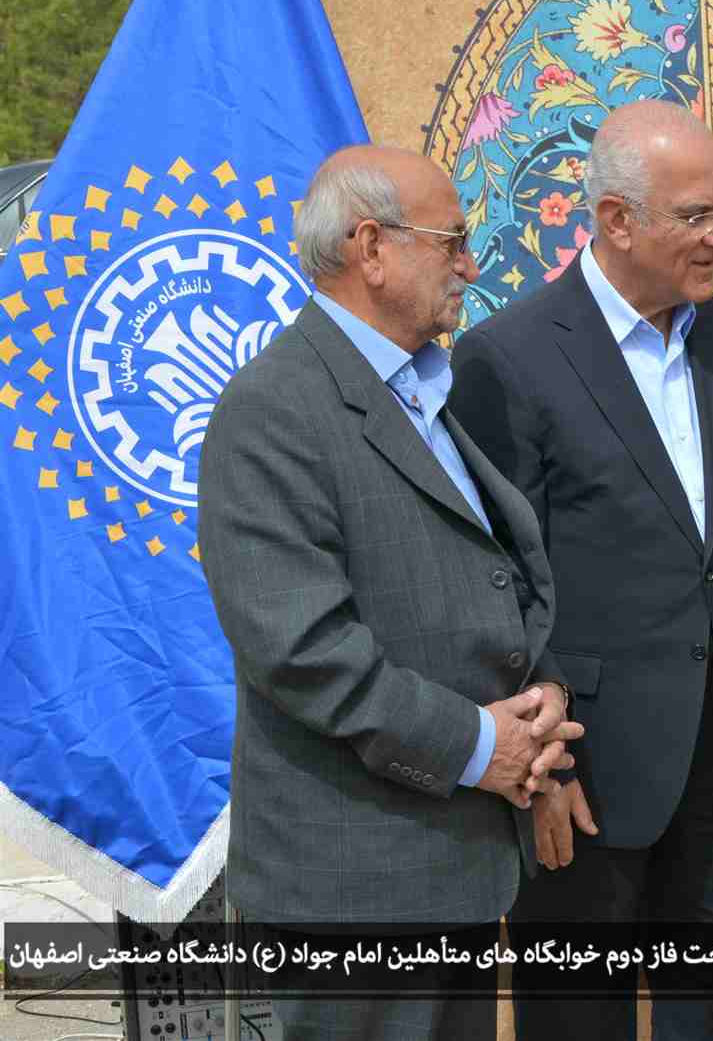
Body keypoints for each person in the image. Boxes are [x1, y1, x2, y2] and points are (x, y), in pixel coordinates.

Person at [197, 145, 581, 1040]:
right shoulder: (273, 409)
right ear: (371, 248)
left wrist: (541, 698)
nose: (471, 266)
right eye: (453, 241)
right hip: (355, 891)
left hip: (454, 866)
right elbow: (304, 651)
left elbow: (490, 574)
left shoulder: (424, 388)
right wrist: (481, 745)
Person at [448, 99, 713, 1041]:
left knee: (707, 1016)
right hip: (581, 770)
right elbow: (494, 580)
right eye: (697, 216)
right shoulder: (507, 359)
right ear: (616, 220)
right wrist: (541, 766)